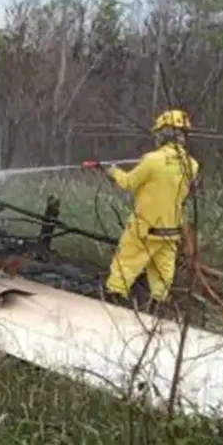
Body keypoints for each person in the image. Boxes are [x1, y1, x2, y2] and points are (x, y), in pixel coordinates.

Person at [82, 108, 200, 307]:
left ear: (163, 134)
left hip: (145, 229)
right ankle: (157, 314)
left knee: (124, 266)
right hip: (171, 231)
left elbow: (128, 182)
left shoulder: (152, 160)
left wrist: (111, 171)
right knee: (162, 275)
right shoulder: (192, 165)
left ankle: (113, 303)